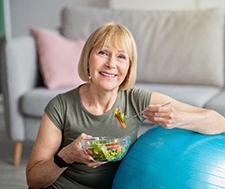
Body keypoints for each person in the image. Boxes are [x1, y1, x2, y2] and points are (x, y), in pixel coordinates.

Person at [26, 22, 225, 189]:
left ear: (129, 66)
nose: (111, 64)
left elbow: (218, 121)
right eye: (103, 53)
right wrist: (67, 156)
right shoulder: (60, 106)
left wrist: (179, 118)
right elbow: (34, 180)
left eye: (121, 57)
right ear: (88, 59)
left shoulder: (136, 100)